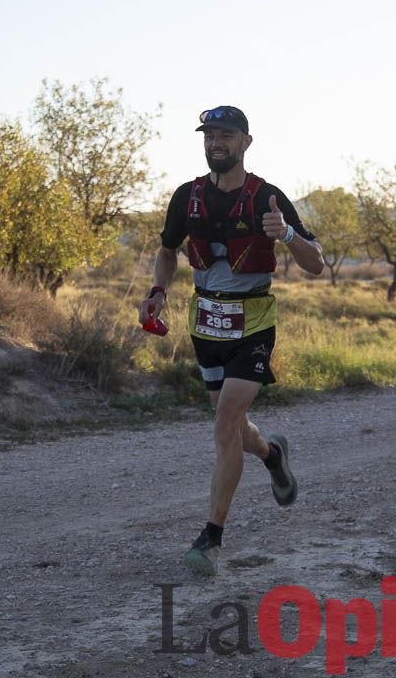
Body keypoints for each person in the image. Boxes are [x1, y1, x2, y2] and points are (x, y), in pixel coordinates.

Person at [138, 105, 325, 575]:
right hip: (206, 326)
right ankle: (272, 454)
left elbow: (316, 263)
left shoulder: (269, 197)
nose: (215, 142)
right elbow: (166, 252)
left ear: (245, 142)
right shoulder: (187, 197)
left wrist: (285, 235)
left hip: (254, 325)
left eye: (225, 135)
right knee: (236, 429)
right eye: (209, 135)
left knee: (223, 424)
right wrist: (159, 291)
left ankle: (210, 540)